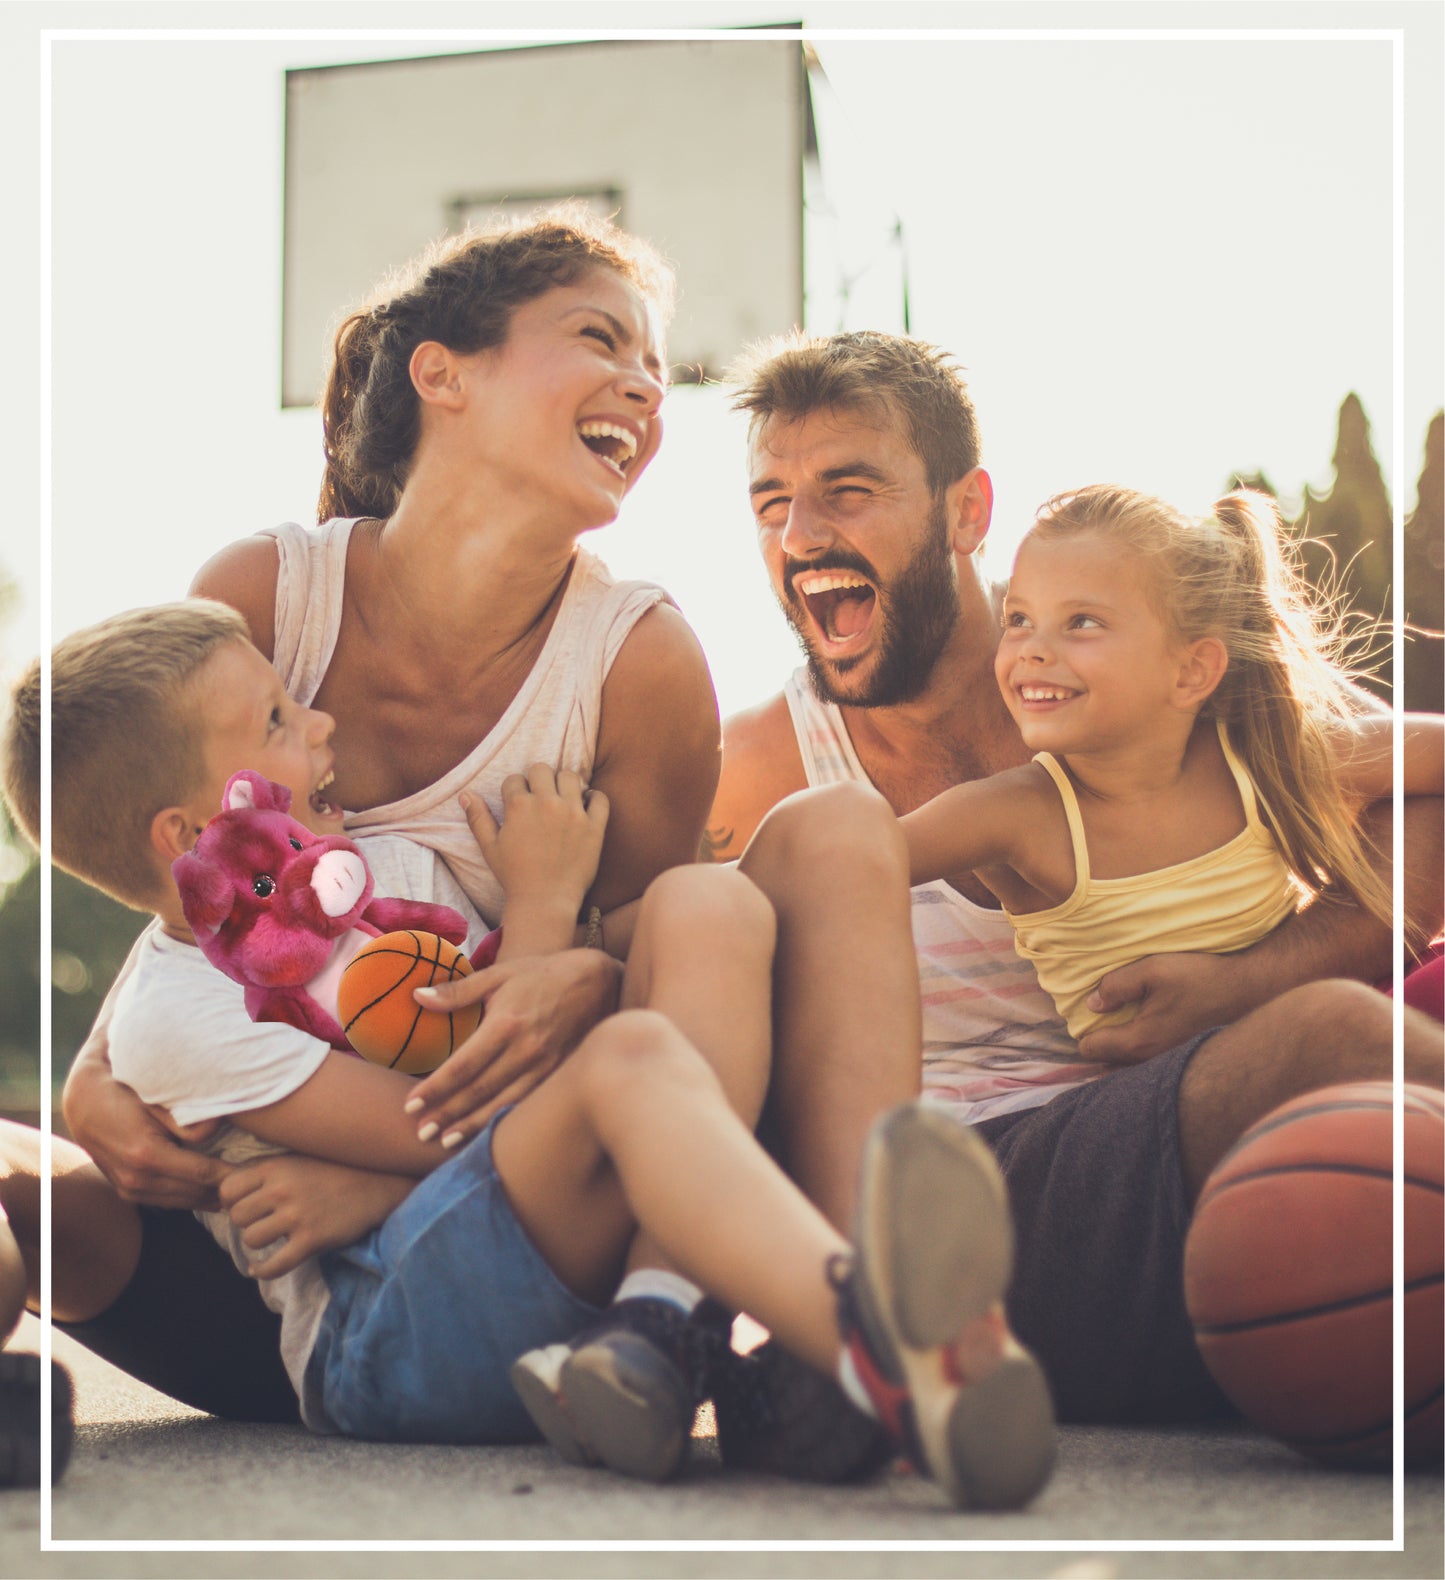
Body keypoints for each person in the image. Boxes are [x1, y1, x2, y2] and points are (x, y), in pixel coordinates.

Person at [2, 599, 1055, 1509]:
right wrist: (547, 909)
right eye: (276, 719)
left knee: (705, 900)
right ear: (185, 828)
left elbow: (519, 1026)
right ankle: (881, 1340)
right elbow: (451, 1118)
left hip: (506, 1247)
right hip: (386, 1333)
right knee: (631, 1059)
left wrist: (617, 929)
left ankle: (674, 1323)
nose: (318, 721)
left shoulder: (385, 867)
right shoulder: (170, 1013)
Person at [52, 210, 720, 1423]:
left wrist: (562, 940)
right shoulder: (267, 598)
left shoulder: (639, 663)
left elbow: (666, 979)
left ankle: (693, 1318)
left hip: (493, 1203)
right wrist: (97, 1071)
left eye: (658, 367)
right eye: (598, 336)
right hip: (260, 1240)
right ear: (440, 373)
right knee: (27, 1181)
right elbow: (182, 874)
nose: (644, 384)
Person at [708, 330, 1445, 1425]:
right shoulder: (762, 763)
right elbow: (668, 944)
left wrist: (1242, 980)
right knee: (1337, 1041)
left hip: (1188, 1140)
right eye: (771, 502)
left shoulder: (1130, 674)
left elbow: (1410, 780)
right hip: (971, 1196)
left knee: (1356, 1088)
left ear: (967, 511)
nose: (800, 533)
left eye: (846, 491)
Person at [899, 482, 1445, 1041]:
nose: (1031, 649)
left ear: (1191, 672)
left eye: (1082, 621)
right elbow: (853, 859)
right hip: (1185, 1087)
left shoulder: (1256, 762)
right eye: (1017, 618)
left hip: (1329, 1024)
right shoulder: (1010, 813)